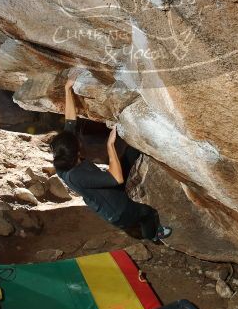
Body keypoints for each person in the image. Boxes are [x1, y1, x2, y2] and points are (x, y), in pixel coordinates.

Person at [49, 73, 171, 242]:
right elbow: (117, 178)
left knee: (130, 153)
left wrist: (67, 89)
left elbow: (70, 122)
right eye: (79, 143)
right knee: (148, 213)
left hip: (111, 192)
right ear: (77, 152)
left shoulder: (63, 154)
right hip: (117, 211)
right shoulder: (77, 175)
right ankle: (153, 236)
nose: (80, 141)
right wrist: (110, 146)